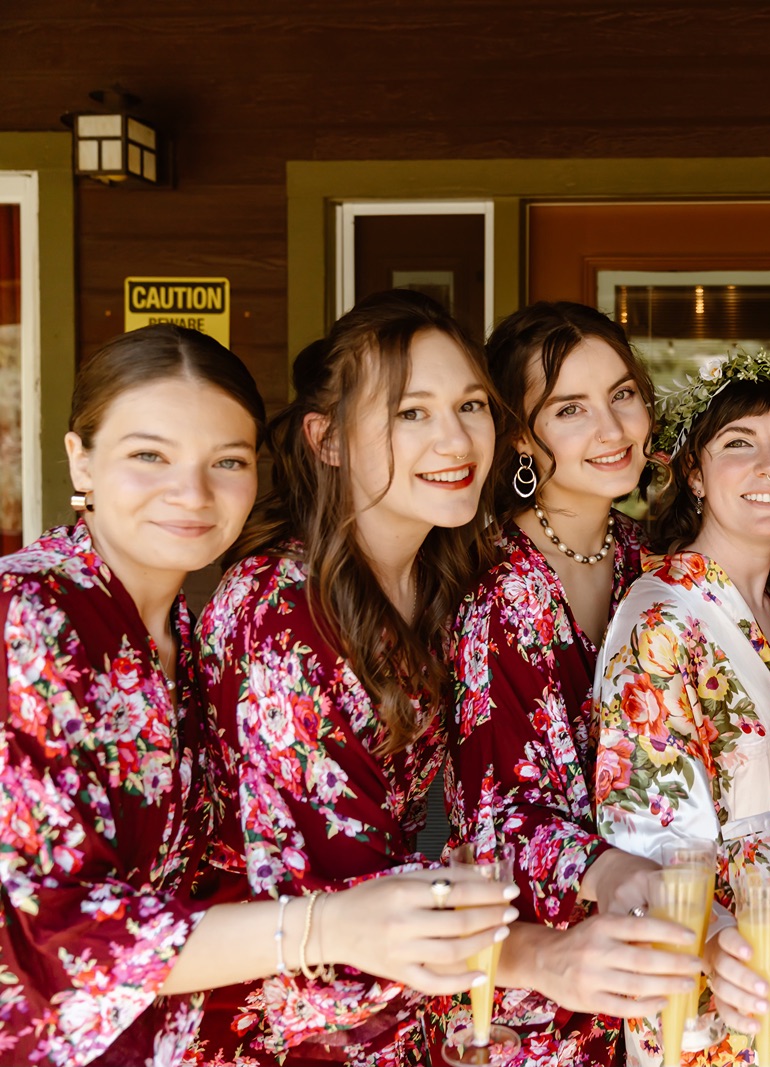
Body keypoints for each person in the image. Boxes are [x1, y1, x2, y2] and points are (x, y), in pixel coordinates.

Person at [0, 324, 512, 1067]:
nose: (193, 492)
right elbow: (48, 929)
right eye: (150, 455)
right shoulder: (29, 613)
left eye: (227, 461)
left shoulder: (174, 627)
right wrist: (323, 925)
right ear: (80, 458)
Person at [189, 291, 517, 1064]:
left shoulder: (443, 576)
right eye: (410, 413)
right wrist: (539, 952)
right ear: (327, 439)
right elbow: (327, 897)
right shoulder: (278, 611)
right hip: (268, 1018)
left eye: (471, 404)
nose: (456, 437)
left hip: (391, 1000)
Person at [443, 302, 700, 1063]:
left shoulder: (650, 561)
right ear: (520, 436)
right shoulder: (488, 582)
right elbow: (494, 807)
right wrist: (611, 869)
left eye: (623, 394)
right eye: (570, 409)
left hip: (656, 962)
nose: (613, 428)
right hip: (528, 980)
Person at [592, 348, 770, 1066]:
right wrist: (716, 949)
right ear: (694, 472)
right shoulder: (661, 618)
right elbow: (648, 830)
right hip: (716, 974)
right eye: (739, 443)